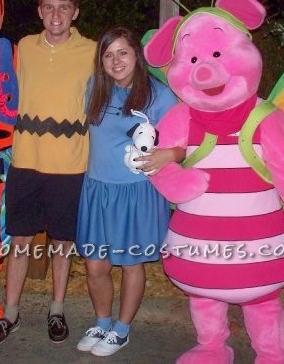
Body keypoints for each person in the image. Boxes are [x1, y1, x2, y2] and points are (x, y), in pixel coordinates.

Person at [0, 0, 97, 346]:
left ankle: (57, 309)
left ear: (75, 14)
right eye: (49, 7)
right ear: (39, 11)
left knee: (62, 242)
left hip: (70, 163)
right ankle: (10, 313)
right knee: (20, 238)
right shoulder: (23, 48)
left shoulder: (93, 51)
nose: (56, 15)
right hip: (26, 159)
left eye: (63, 9)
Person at [75, 26, 184, 356]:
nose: (115, 60)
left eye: (122, 52)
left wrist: (170, 154)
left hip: (135, 194)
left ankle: (122, 329)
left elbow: (186, 142)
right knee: (96, 266)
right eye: (108, 55)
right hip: (97, 190)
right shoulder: (95, 87)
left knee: (130, 264)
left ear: (137, 54)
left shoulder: (160, 95)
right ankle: (102, 321)